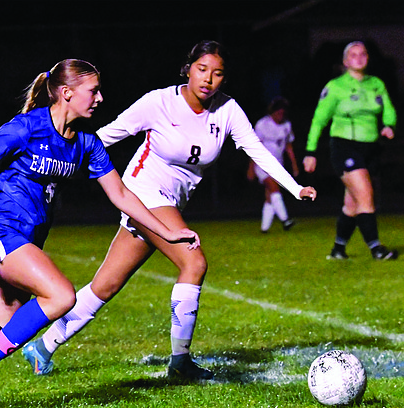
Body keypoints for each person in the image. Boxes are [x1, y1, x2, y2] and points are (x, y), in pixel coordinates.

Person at [0, 59, 200, 408]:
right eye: (93, 90)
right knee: (61, 295)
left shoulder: (86, 144)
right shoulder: (27, 128)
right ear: (66, 93)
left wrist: (169, 232)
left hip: (27, 242)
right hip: (3, 233)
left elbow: (123, 196)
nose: (100, 98)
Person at [22, 41, 317, 380]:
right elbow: (105, 136)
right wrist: (56, 159)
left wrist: (295, 188)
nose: (208, 79)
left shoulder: (228, 111)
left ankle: (41, 347)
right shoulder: (158, 102)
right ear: (187, 69)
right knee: (194, 261)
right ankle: (180, 363)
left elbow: (258, 151)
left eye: (217, 73)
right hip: (142, 192)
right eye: (202, 69)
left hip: (169, 203)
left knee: (106, 285)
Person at [303, 41, 397, 260]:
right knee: (366, 196)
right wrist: (310, 151)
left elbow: (388, 109)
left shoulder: (376, 84)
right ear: (345, 61)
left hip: (371, 148)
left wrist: (389, 125)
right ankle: (376, 248)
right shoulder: (336, 87)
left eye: (363, 54)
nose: (359, 57)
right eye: (353, 55)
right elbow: (319, 120)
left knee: (352, 204)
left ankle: (338, 249)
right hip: (344, 146)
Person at [246, 96, 299, 233]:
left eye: (283, 113)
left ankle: (264, 228)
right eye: (278, 112)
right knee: (274, 188)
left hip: (278, 164)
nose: (281, 115)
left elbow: (288, 146)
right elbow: (255, 147)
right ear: (272, 112)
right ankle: (285, 219)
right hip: (262, 164)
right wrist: (251, 168)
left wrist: (294, 165)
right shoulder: (262, 124)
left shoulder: (287, 125)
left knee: (270, 195)